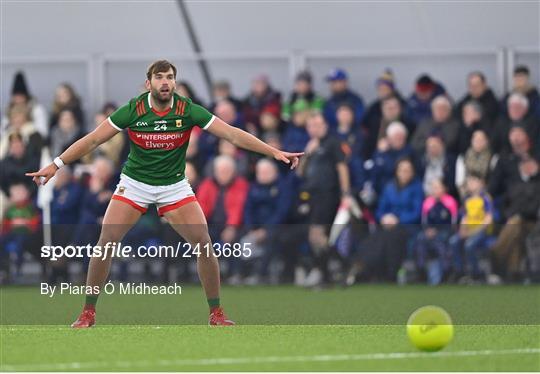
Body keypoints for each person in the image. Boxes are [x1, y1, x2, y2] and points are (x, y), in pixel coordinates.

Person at [27, 60, 303, 328]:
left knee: (204, 243)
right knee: (107, 240)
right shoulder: (133, 109)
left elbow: (231, 134)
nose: (165, 82)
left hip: (173, 186)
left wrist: (274, 151)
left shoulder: (187, 109)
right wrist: (56, 165)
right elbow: (94, 139)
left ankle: (216, 312)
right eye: (159, 78)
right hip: (135, 183)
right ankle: (88, 312)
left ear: (175, 82)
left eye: (169, 77)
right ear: (149, 84)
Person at [449, 173, 494, 281]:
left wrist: (473, 231)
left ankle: (475, 273)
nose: (470, 184)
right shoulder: (466, 199)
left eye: (473, 181)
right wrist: (462, 230)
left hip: (482, 231)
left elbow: (488, 220)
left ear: (481, 183)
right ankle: (460, 271)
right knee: (453, 241)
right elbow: (464, 217)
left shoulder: (486, 198)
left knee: (469, 245)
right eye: (468, 182)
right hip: (469, 230)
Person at [1, 71, 48, 138]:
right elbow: (2, 131)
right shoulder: (9, 110)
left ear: (26, 96)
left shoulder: (36, 109)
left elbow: (43, 132)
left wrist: (25, 129)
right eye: (16, 97)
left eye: (20, 96)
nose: (18, 100)